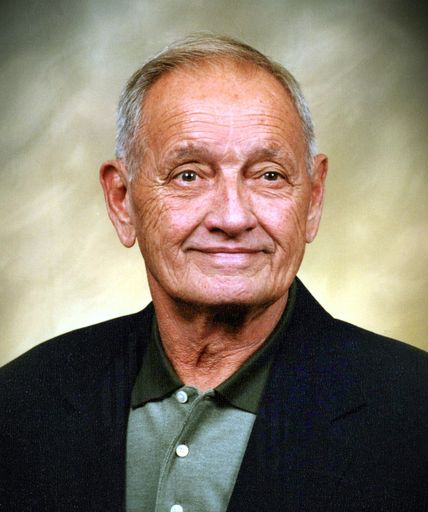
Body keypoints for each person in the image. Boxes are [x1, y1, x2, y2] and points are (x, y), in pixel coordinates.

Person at [0, 34, 427, 512]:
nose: (232, 217)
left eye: (269, 175)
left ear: (313, 199)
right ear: (122, 201)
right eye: (188, 175)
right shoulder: (21, 404)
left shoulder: (414, 411)